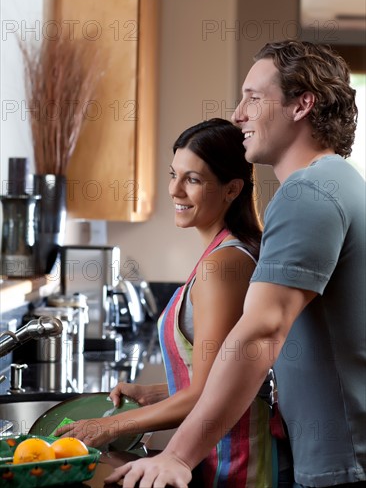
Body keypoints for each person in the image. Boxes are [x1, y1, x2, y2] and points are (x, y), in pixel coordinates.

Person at [105, 40, 366, 488]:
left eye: (254, 97)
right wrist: (160, 396)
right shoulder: (336, 182)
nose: (238, 113)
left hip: (341, 466)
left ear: (302, 105)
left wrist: (179, 457)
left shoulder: (308, 193)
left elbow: (261, 333)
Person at [56, 118, 282, 486]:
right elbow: (225, 371)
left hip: (237, 459)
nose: (175, 190)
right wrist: (154, 393)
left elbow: (209, 395)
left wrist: (107, 426)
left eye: (192, 180)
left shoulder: (223, 266)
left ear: (232, 189)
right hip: (219, 451)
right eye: (173, 174)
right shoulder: (229, 253)